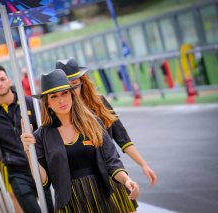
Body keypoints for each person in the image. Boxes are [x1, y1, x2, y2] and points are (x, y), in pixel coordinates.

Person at [20, 69, 139, 212]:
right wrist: (28, 149)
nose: (61, 100)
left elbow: (111, 160)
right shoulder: (41, 136)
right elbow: (44, 181)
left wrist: (127, 180)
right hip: (71, 203)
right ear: (47, 103)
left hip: (105, 193)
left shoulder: (92, 122)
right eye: (54, 97)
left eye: (64, 93)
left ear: (71, 94)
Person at [57, 58, 158, 211]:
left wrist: (143, 164)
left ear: (83, 81)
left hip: (112, 172)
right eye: (67, 87)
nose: (73, 90)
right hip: (81, 183)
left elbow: (121, 136)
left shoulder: (99, 102)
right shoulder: (60, 113)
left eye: (75, 84)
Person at [0, 65, 54, 213]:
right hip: (17, 173)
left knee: (51, 209)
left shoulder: (29, 103)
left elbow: (47, 132)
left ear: (9, 81)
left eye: (2, 79)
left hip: (40, 167)